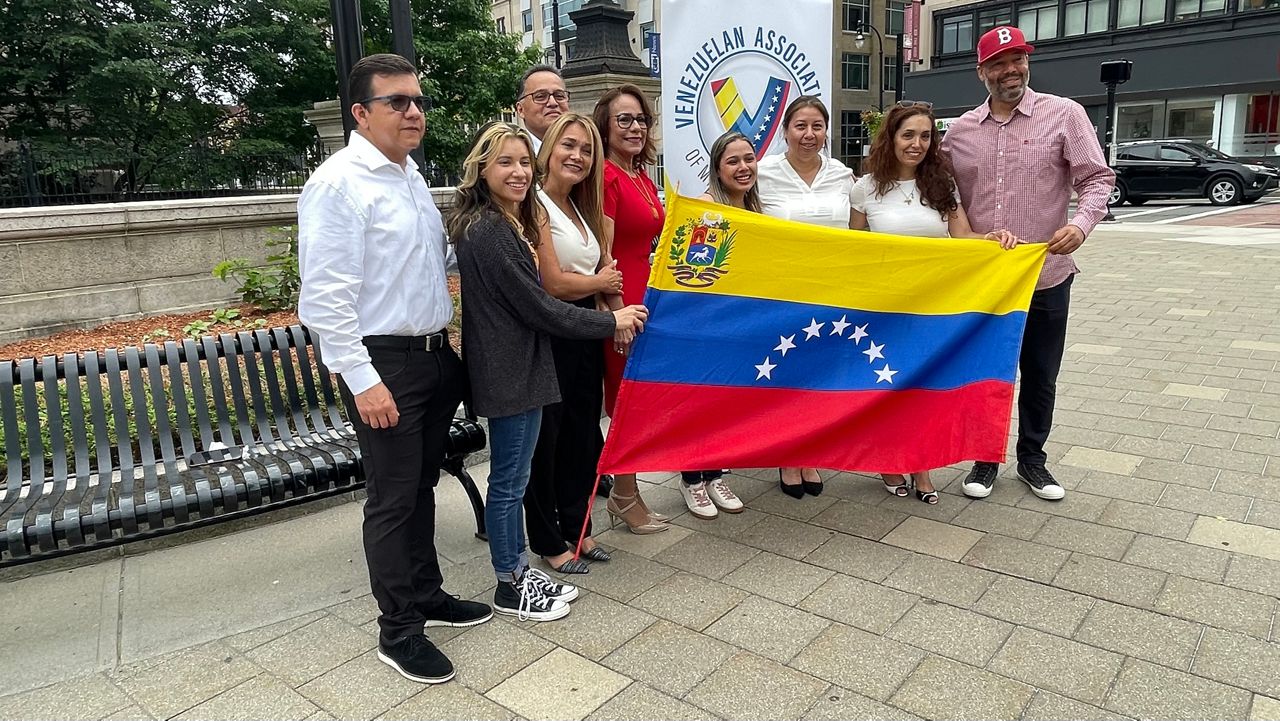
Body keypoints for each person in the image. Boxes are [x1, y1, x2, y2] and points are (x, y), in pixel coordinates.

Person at [298, 54, 491, 686]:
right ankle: (399, 628)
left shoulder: (406, 176)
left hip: (432, 358)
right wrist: (364, 380)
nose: (414, 111)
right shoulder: (340, 184)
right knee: (392, 498)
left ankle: (428, 593)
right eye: (397, 102)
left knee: (420, 489)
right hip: (386, 365)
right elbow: (324, 300)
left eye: (417, 100)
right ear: (361, 113)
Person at [448, 122, 647, 621]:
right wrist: (608, 317)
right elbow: (540, 301)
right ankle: (512, 581)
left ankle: (518, 571)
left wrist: (606, 300)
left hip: (528, 359)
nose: (517, 172)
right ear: (482, 168)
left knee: (524, 470)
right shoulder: (492, 228)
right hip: (514, 368)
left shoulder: (506, 220)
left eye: (521, 162)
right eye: (505, 163)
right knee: (514, 478)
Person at [942, 26, 1114, 502]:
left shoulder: (1065, 115)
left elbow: (1097, 179)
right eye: (998, 63)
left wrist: (1080, 225)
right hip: (987, 283)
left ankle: (1033, 460)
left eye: (1017, 59)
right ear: (982, 73)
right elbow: (941, 191)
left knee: (1040, 375)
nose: (1010, 70)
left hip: (1046, 276)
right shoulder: (959, 132)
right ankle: (984, 459)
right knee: (989, 373)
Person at [850, 102, 1021, 505]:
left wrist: (994, 239)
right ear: (890, 137)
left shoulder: (942, 184)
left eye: (925, 136)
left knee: (925, 388)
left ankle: (922, 465)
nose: (917, 144)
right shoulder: (865, 188)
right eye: (908, 135)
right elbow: (853, 250)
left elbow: (962, 236)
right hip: (886, 308)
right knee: (889, 386)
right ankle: (890, 461)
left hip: (932, 310)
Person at [526, 113, 622, 573]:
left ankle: (578, 528)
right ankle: (548, 539)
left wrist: (605, 289)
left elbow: (605, 271)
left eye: (586, 150)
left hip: (586, 330)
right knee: (549, 440)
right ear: (548, 150)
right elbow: (552, 282)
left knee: (583, 437)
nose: (577, 156)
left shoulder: (583, 210)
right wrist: (599, 280)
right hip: (553, 335)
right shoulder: (536, 206)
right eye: (568, 145)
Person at [667, 130, 768, 520]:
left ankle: (716, 472)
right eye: (733, 161)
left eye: (749, 158)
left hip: (739, 325)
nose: (743, 168)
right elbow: (692, 270)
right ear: (717, 168)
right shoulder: (708, 209)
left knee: (725, 403)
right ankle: (692, 477)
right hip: (706, 323)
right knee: (701, 402)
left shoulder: (754, 210)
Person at [756, 95, 852, 499]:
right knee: (786, 372)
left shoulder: (844, 175)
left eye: (817, 126)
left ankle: (809, 450)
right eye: (800, 126)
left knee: (818, 374)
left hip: (830, 291)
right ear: (785, 131)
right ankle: (786, 452)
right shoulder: (762, 173)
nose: (809, 134)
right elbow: (726, 204)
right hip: (781, 292)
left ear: (826, 131)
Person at [594, 84, 671, 533]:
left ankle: (628, 491)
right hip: (623, 302)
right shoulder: (606, 175)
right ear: (605, 124)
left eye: (641, 119)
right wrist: (617, 311)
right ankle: (624, 494)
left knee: (640, 400)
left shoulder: (639, 174)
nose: (636, 127)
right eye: (624, 119)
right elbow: (602, 253)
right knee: (626, 402)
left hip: (647, 298)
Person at [514, 65, 570, 154]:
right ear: (520, 110)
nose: (553, 103)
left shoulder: (586, 153)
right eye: (540, 96)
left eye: (559, 96)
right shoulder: (509, 154)